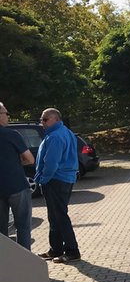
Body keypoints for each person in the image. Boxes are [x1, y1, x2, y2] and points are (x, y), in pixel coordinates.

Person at [35, 108, 81, 263]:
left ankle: (72, 251)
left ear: (56, 119)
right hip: (65, 178)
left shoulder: (55, 136)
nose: (42, 122)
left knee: (59, 216)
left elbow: (51, 162)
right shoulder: (66, 132)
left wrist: (43, 178)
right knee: (55, 215)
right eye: (41, 119)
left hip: (56, 179)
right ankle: (55, 249)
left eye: (45, 119)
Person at [0, 103, 34, 250]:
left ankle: (4, 260)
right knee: (23, 227)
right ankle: (25, 260)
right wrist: (17, 161)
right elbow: (30, 159)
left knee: (1, 231)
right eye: (6, 113)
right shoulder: (11, 135)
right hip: (17, 186)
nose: (8, 117)